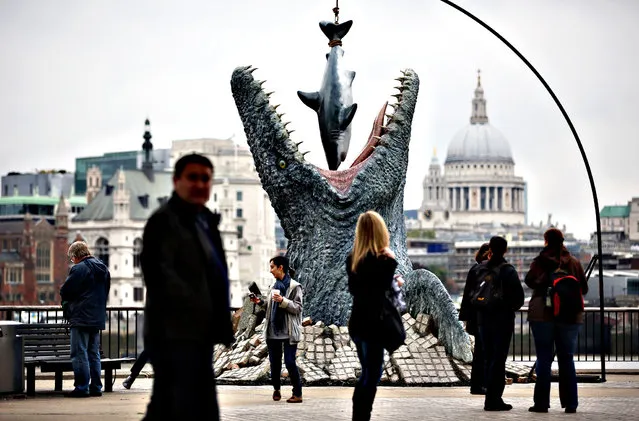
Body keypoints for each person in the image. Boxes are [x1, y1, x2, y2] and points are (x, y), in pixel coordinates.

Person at [141, 153, 233, 420]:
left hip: (198, 334)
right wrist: (197, 309)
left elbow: (215, 275)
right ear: (176, 181)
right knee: (182, 406)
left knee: (176, 407)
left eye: (205, 179)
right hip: (174, 334)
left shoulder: (204, 220)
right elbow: (161, 276)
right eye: (192, 177)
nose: (200, 184)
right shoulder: (163, 221)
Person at [525, 228, 588, 414]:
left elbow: (529, 281)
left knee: (543, 358)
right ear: (562, 241)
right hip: (569, 315)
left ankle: (541, 403)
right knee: (566, 358)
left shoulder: (540, 262)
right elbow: (583, 289)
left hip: (542, 314)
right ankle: (571, 403)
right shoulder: (574, 263)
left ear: (546, 241)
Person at [346, 210, 397, 421]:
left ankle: (359, 414)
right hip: (374, 324)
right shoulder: (382, 260)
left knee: (367, 372)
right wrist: (391, 262)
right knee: (372, 374)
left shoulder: (353, 259)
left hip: (357, 322)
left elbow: (355, 289)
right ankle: (361, 416)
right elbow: (383, 289)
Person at [472, 236, 524, 411]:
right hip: (501, 320)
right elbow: (519, 299)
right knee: (498, 359)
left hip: (482, 320)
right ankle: (493, 399)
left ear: (490, 249)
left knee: (488, 358)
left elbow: (471, 295)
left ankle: (490, 396)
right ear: (506, 250)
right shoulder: (507, 270)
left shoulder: (479, 269)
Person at [60, 241, 111, 398]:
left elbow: (66, 290)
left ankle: (82, 387)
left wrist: (69, 304)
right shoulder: (103, 268)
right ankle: (96, 387)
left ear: (76, 256)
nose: (72, 261)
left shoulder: (79, 268)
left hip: (81, 316)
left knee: (79, 353)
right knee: (93, 353)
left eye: (71, 258)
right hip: (97, 316)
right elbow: (106, 290)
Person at [250, 256, 303, 403]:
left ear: (281, 267)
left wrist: (283, 301)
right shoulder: (273, 286)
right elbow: (269, 306)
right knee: (275, 363)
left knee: (290, 362)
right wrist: (259, 301)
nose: (270, 270)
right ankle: (276, 390)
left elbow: (298, 308)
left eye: (272, 267)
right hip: (273, 330)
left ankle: (297, 393)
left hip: (289, 332)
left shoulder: (294, 286)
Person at [458, 242, 490, 395]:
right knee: (485, 352)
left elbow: (467, 295)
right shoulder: (487, 270)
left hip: (475, 317)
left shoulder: (473, 270)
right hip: (486, 316)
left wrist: (465, 318)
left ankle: (477, 384)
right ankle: (482, 384)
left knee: (479, 352)